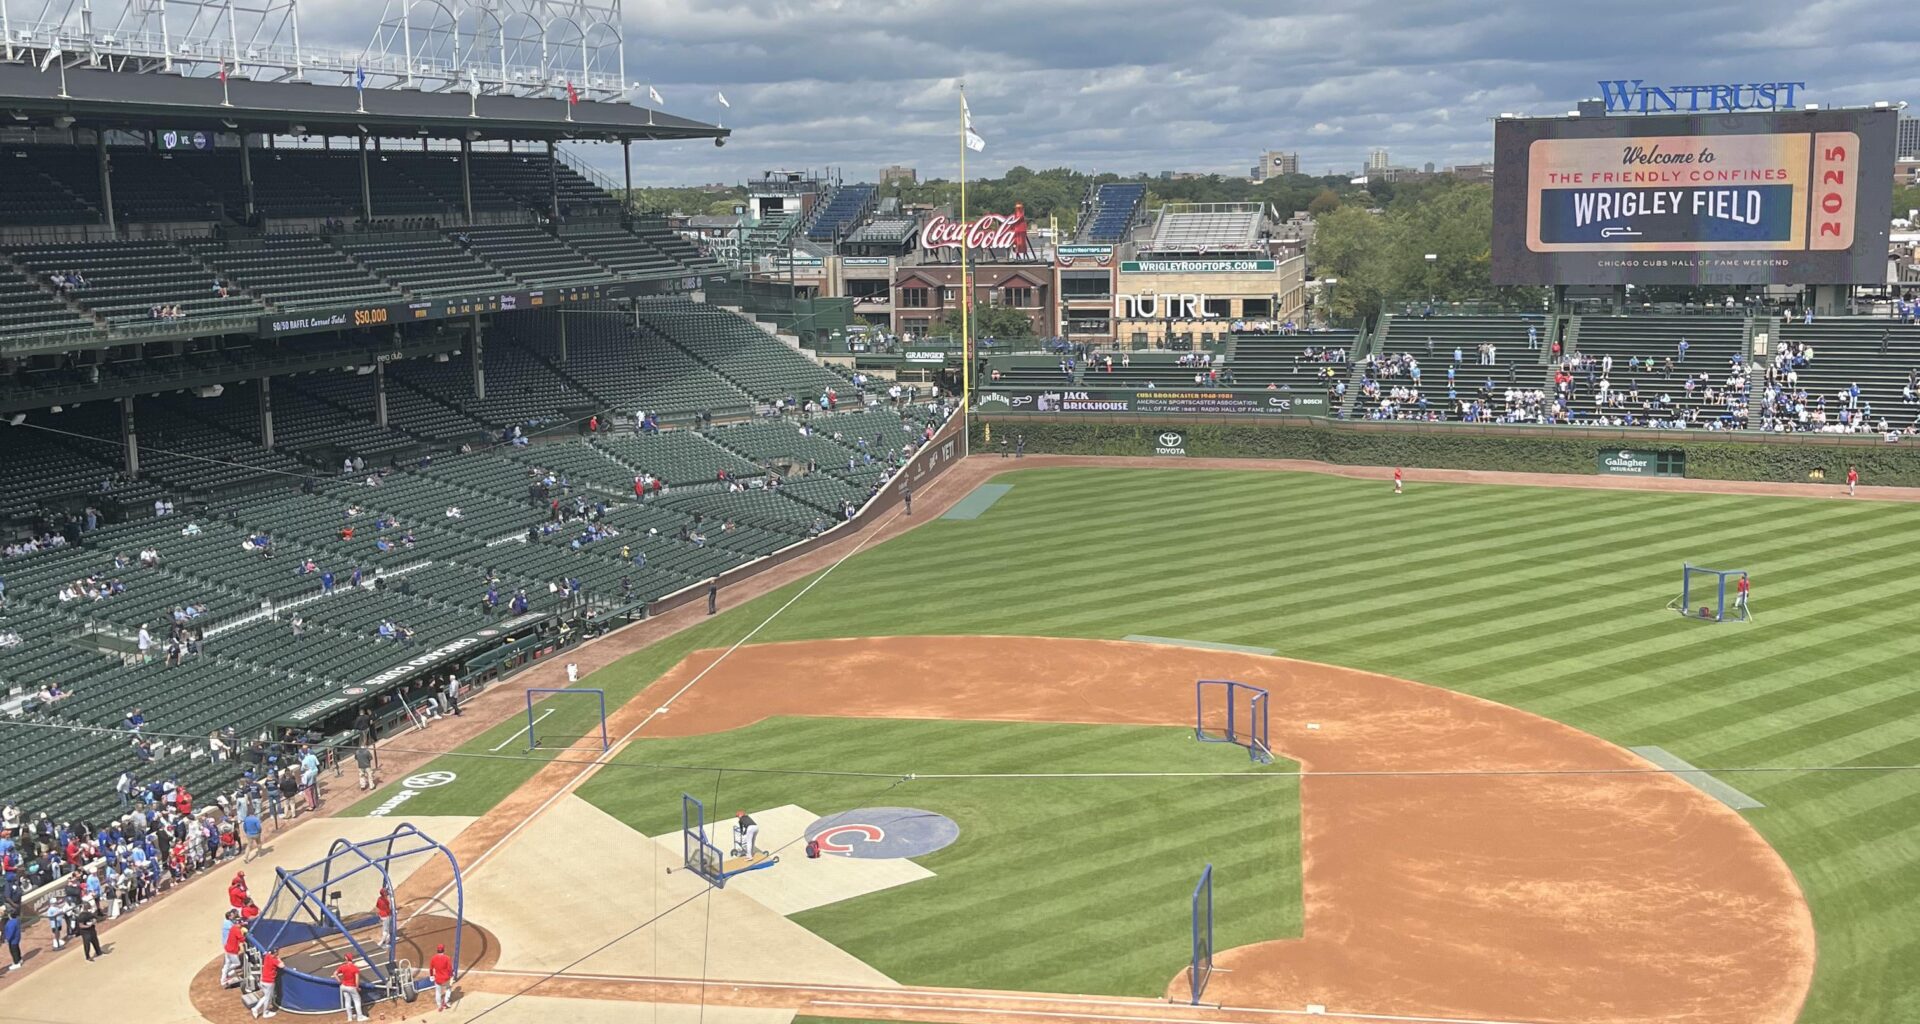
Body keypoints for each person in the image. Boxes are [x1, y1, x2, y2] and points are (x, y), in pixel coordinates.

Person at [253, 948, 282, 1017]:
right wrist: (278, 958)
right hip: (269, 982)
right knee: (268, 998)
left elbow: (266, 953)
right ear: (275, 953)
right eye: (277, 952)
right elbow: (282, 965)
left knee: (266, 997)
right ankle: (265, 1013)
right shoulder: (274, 960)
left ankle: (255, 1008)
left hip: (262, 981)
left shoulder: (267, 956)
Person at [429, 942, 456, 1010]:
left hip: (437, 979)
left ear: (437, 950)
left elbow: (431, 968)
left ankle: (439, 1005)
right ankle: (446, 1002)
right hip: (446, 978)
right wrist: (452, 975)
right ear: (443, 950)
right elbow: (450, 968)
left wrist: (431, 976)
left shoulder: (433, 958)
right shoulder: (447, 958)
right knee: (448, 989)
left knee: (438, 992)